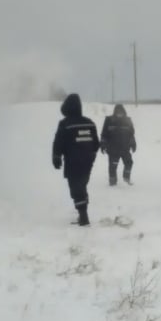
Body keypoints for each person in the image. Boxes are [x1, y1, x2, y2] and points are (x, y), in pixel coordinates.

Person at [52, 93, 100, 226]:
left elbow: (58, 142)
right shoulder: (90, 123)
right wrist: (91, 155)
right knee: (81, 185)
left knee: (76, 187)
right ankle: (83, 212)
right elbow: (96, 143)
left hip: (72, 161)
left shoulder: (64, 124)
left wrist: (56, 157)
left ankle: (83, 216)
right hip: (88, 161)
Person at [100, 104, 136, 186]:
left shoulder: (128, 120)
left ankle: (126, 177)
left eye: (121, 112)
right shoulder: (109, 120)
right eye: (117, 112)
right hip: (113, 149)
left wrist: (133, 143)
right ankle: (112, 181)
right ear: (115, 112)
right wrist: (102, 144)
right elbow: (104, 134)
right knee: (113, 165)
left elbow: (131, 134)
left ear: (124, 112)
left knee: (129, 163)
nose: (119, 113)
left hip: (125, 148)